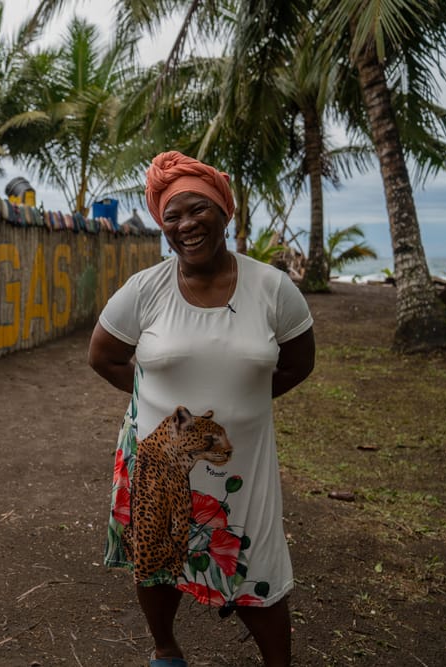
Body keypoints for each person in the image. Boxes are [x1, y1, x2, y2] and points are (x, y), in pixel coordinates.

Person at [87, 151, 316, 667]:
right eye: (173, 216)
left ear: (223, 212)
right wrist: (153, 402)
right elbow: (103, 356)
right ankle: (166, 650)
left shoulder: (273, 289)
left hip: (243, 459)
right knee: (157, 558)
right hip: (159, 458)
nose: (186, 224)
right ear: (162, 226)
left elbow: (299, 363)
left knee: (256, 559)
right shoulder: (145, 289)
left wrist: (244, 405)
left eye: (199, 210)